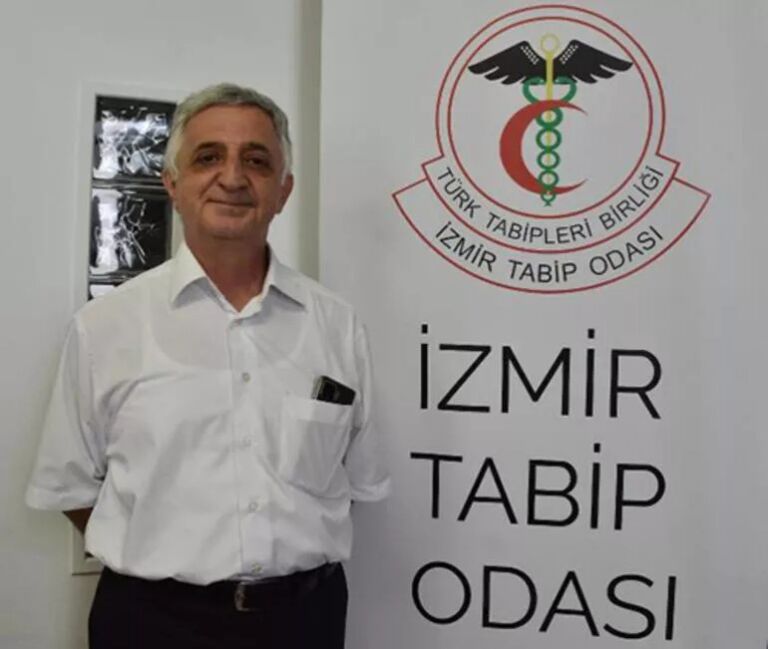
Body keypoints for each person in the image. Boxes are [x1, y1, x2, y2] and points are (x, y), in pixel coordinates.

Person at [26, 82, 389, 649]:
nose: (233, 177)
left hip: (304, 622)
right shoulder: (104, 328)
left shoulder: (337, 325)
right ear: (172, 183)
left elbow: (357, 480)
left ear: (284, 190)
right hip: (151, 624)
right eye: (208, 157)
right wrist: (166, 553)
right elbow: (71, 487)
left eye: (257, 160)